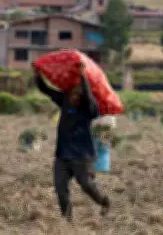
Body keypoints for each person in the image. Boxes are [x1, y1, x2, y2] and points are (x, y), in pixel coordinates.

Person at [34, 62, 110, 222]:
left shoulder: (90, 108)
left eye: (77, 96)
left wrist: (83, 76)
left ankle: (104, 202)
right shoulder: (65, 101)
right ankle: (67, 220)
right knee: (60, 189)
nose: (73, 98)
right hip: (62, 155)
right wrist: (37, 74)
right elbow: (45, 90)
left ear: (82, 97)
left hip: (82, 156)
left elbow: (89, 98)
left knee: (86, 185)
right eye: (72, 96)